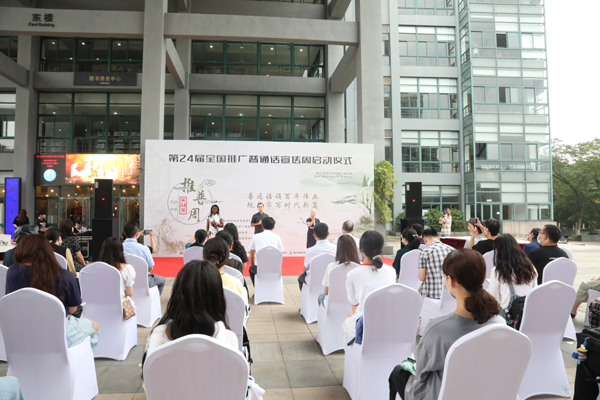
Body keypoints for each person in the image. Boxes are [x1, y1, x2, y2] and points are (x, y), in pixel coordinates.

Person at [389, 249, 504, 400]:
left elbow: (421, 372)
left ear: (451, 281)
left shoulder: (438, 330)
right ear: (483, 277)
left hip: (442, 394)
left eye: (445, 276)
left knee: (398, 372)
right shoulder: (500, 324)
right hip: (485, 392)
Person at [5, 235, 99, 350]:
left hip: (22, 330)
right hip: (57, 331)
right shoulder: (65, 276)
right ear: (48, 251)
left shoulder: (12, 272)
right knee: (94, 325)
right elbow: (72, 310)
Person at [143, 260, 238, 364]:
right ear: (217, 298)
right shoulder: (228, 339)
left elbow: (147, 372)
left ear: (177, 294)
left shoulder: (156, 337)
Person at [343, 230, 396, 341]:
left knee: (347, 321)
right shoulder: (391, 271)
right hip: (389, 322)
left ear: (361, 248)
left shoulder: (352, 274)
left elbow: (354, 305)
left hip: (365, 325)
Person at [486, 234, 537, 309]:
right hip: (528, 311)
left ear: (499, 250)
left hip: (507, 313)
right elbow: (535, 291)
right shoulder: (531, 268)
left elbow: (493, 296)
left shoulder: (498, 271)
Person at [122, 221, 166, 295]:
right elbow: (150, 267)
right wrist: (151, 237)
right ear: (137, 234)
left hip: (124, 280)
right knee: (162, 280)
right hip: (143, 280)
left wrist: (138, 234)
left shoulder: (118, 248)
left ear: (124, 233)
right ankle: (154, 299)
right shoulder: (144, 249)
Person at [319, 235, 360, 307]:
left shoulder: (331, 266)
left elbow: (327, 292)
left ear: (338, 249)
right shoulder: (360, 266)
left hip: (334, 304)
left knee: (321, 297)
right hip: (355, 304)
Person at [419, 228, 455, 299]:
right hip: (450, 295)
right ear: (438, 238)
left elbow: (421, 277)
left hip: (431, 295)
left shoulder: (425, 252)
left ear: (425, 240)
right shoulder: (452, 250)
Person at [298, 223, 336, 291]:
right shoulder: (336, 249)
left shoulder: (310, 251)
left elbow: (305, 268)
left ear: (314, 235)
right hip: (331, 282)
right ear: (328, 234)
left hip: (313, 283)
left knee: (301, 277)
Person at [248, 217, 284, 285]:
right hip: (274, 268)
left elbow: (252, 252)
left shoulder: (256, 236)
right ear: (273, 227)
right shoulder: (277, 237)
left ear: (262, 226)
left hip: (259, 268)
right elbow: (280, 253)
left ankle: (257, 287)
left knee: (251, 269)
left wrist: (253, 265)